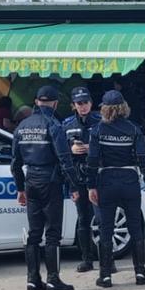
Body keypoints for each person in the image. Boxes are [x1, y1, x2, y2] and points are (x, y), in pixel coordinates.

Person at [11, 85, 76, 290]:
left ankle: (32, 281)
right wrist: (74, 185)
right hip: (51, 181)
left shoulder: (22, 126)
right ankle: (53, 280)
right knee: (53, 234)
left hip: (31, 181)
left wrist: (20, 188)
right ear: (55, 103)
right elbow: (64, 158)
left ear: (37, 102)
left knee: (34, 234)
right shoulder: (53, 125)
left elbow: (14, 163)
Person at [87, 89, 145, 288]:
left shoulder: (97, 130)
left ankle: (105, 276)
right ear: (124, 107)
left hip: (106, 179)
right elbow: (143, 159)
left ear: (104, 109)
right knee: (135, 227)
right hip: (129, 180)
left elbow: (92, 160)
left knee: (106, 229)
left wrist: (91, 185)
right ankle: (140, 273)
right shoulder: (134, 129)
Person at [62, 86, 101, 273]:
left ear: (91, 103)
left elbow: (109, 149)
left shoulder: (101, 122)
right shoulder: (67, 124)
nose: (83, 106)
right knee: (83, 219)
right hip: (77, 177)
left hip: (98, 176)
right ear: (73, 105)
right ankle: (87, 259)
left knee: (103, 219)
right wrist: (71, 150)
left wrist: (90, 148)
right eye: (79, 103)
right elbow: (60, 152)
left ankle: (108, 260)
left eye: (85, 102)